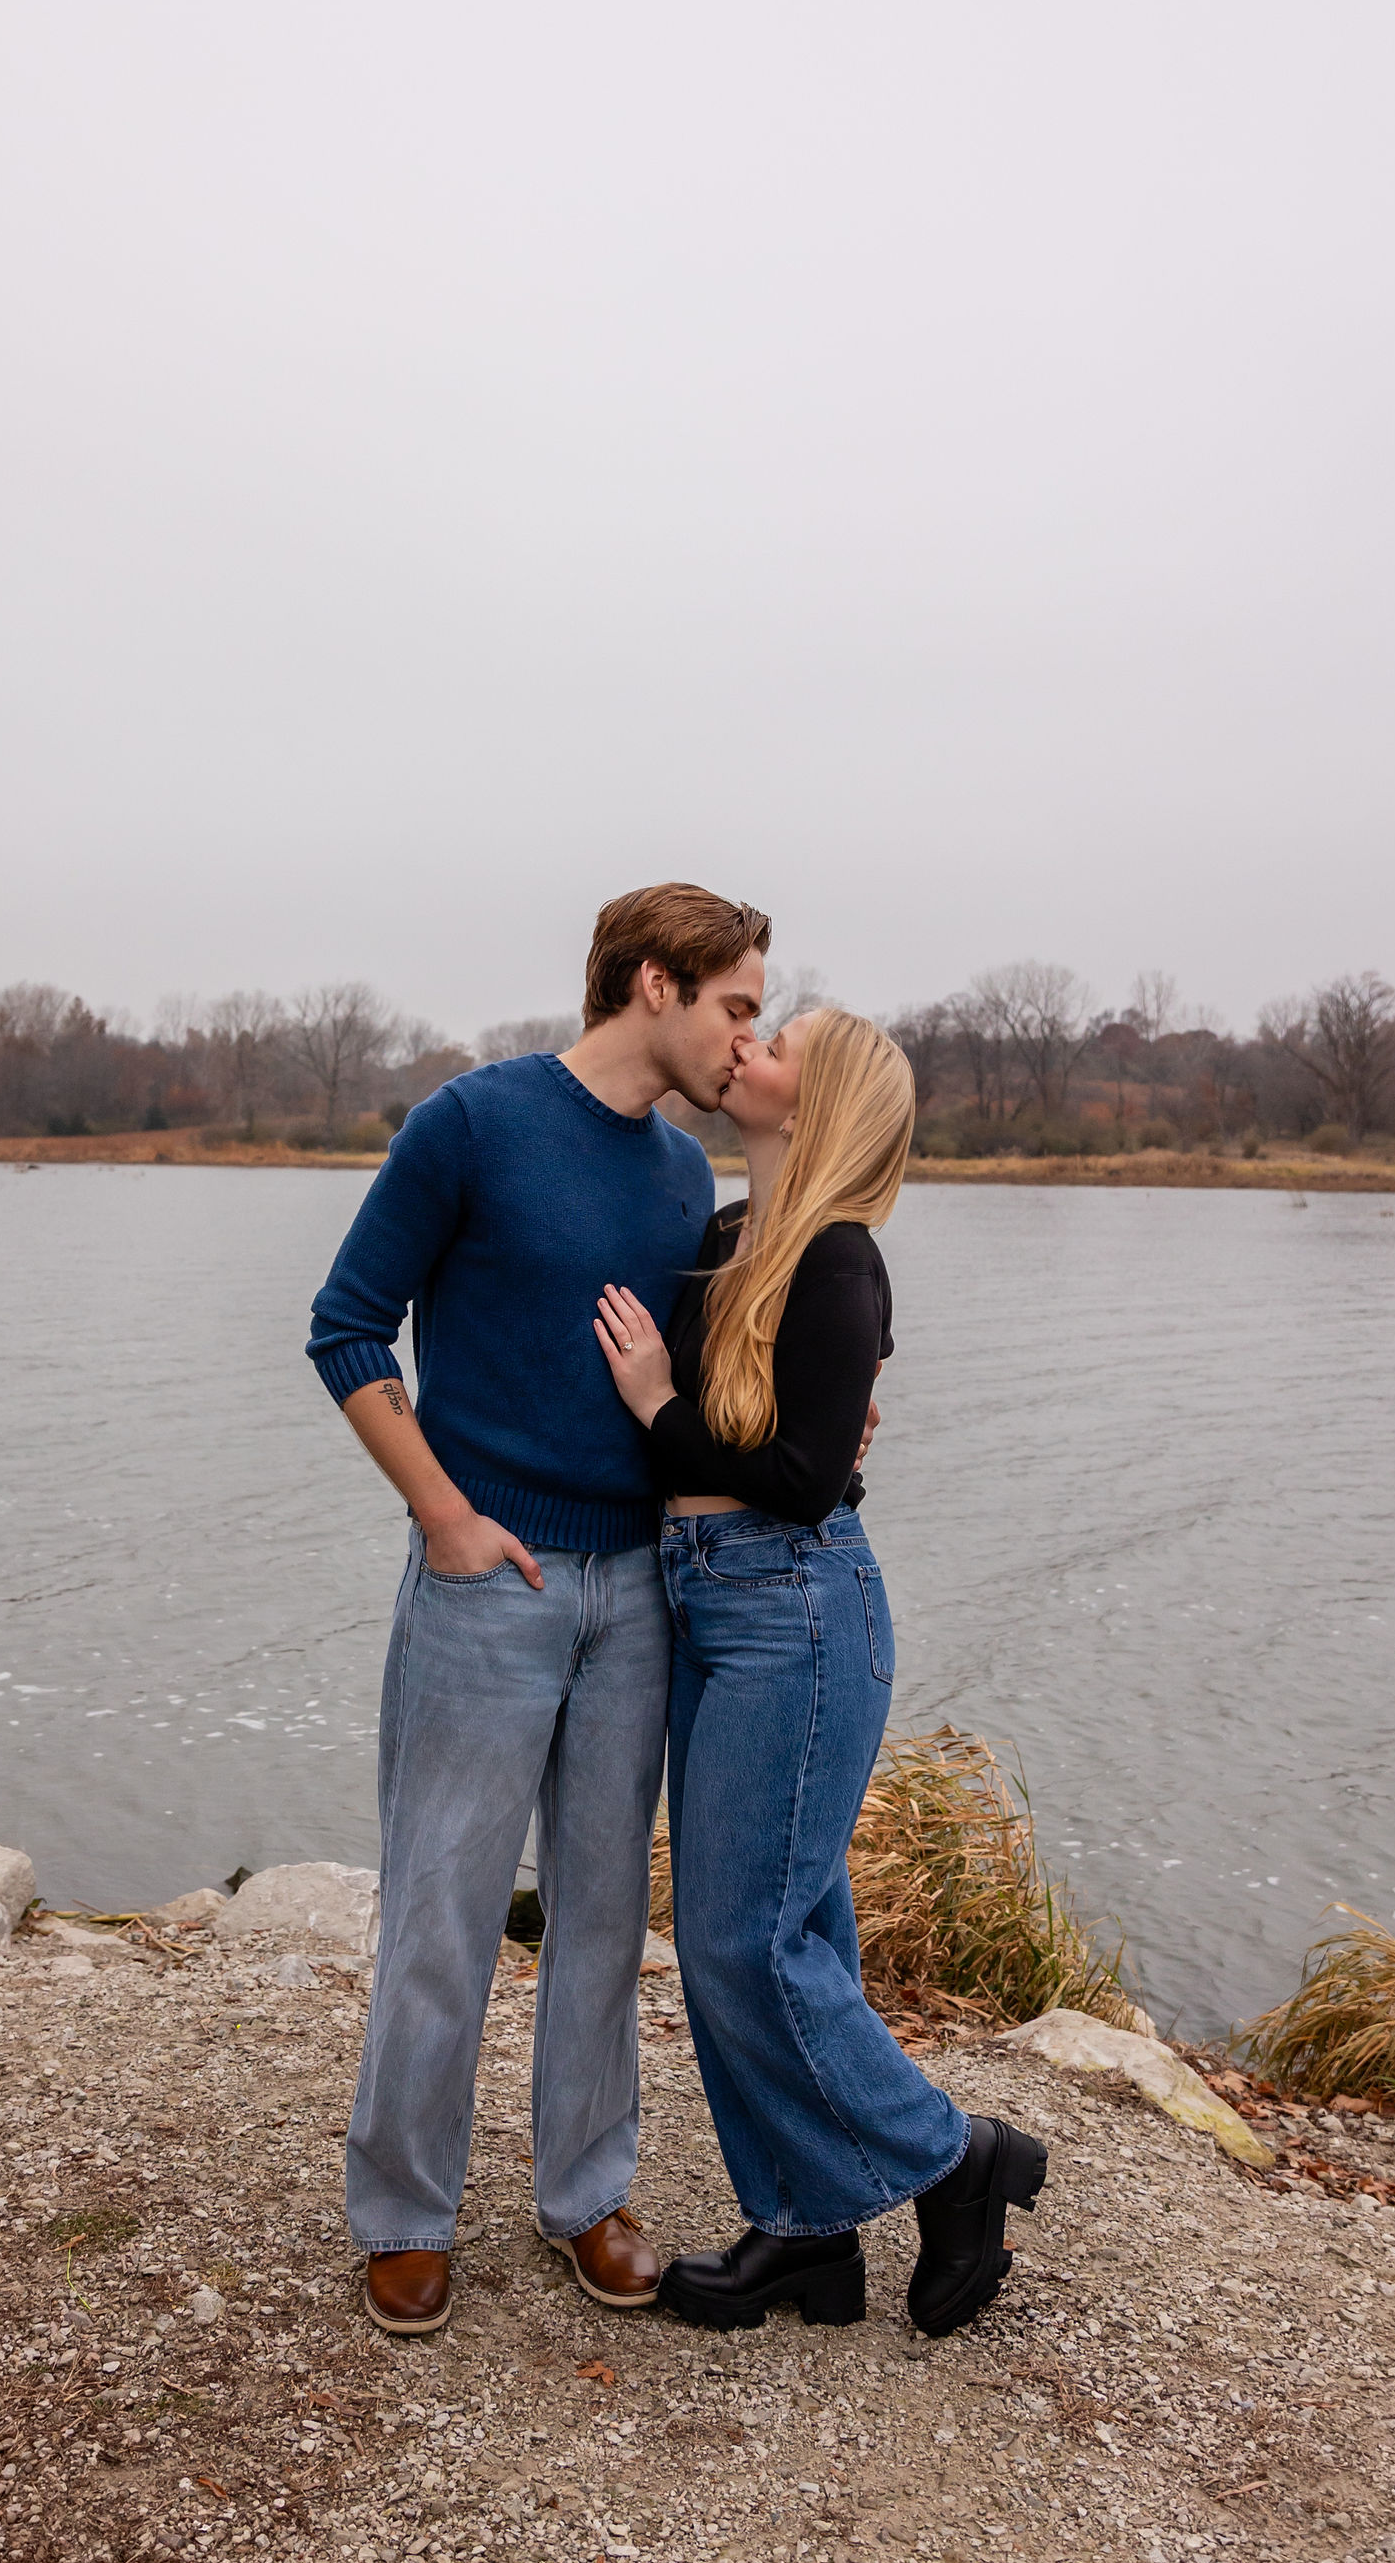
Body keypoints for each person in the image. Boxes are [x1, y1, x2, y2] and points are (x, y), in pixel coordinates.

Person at [306, 882, 771, 2337]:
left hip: (636, 1587)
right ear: (654, 984)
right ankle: (401, 2211)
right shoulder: (473, 1123)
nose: (748, 1039)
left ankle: (586, 2193)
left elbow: (686, 1388)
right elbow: (343, 1327)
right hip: (483, 1587)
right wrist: (442, 1516)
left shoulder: (684, 1177)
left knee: (600, 1917)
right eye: (736, 1007)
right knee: (441, 1909)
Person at [593, 1008, 1048, 2337]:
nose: (748, 1048)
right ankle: (805, 2232)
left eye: (776, 1040)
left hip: (791, 1611)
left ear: (821, 1098)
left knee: (745, 1941)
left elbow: (798, 1483)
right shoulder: (733, 1240)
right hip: (708, 1604)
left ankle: (958, 2158)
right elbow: (791, 1441)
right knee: (783, 1938)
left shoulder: (841, 1258)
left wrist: (658, 1410)